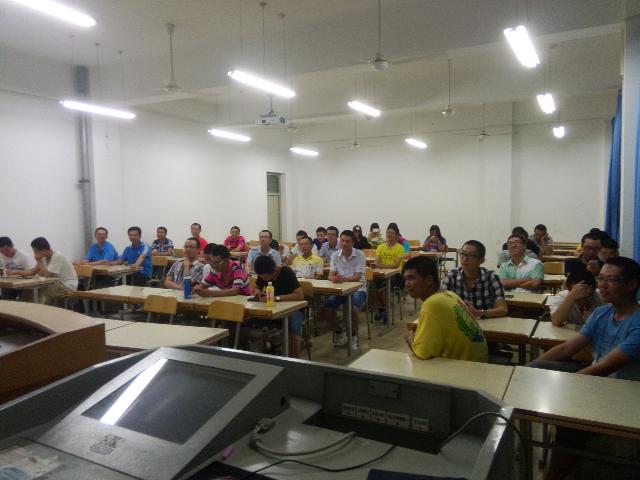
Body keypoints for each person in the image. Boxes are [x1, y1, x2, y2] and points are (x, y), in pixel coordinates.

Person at [528, 257, 640, 480]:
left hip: (624, 395)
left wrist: (564, 389)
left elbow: (605, 368)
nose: (603, 285)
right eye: (601, 279)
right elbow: (567, 348)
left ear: (631, 284)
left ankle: (554, 475)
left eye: (611, 280)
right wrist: (526, 369)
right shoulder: (602, 313)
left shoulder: (637, 323)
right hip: (597, 385)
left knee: (570, 423)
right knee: (539, 367)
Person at [403, 256, 488, 362]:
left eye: (412, 278)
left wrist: (410, 339)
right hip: (480, 361)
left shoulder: (431, 304)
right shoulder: (449, 294)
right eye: (405, 279)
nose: (407, 284)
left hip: (466, 368)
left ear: (429, 280)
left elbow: (423, 354)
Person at [253, 255, 305, 358]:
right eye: (261, 276)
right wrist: (257, 291)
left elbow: (300, 295)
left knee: (293, 328)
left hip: (294, 309)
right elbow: (256, 286)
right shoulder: (263, 273)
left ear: (272, 270)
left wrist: (276, 298)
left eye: (265, 276)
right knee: (249, 322)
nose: (263, 279)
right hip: (273, 309)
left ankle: (295, 360)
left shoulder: (286, 272)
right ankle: (267, 351)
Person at [443, 240, 508, 319]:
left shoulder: (492, 277)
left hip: (486, 322)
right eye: (463, 253)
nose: (465, 259)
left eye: (471, 255)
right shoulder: (451, 276)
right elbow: (443, 304)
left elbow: (503, 309)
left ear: (481, 260)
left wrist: (480, 313)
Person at [325, 230, 367, 350]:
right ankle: (339, 331)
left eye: (347, 241)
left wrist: (343, 279)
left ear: (353, 242)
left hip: (358, 288)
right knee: (327, 309)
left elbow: (357, 277)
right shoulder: (335, 255)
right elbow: (330, 276)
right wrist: (334, 278)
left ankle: (353, 335)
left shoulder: (360, 255)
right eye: (342, 240)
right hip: (341, 289)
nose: (344, 243)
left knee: (354, 309)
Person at [22, 237, 78, 304]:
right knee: (28, 291)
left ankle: (40, 309)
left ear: (43, 250)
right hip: (55, 284)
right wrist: (15, 272)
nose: (34, 254)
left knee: (42, 291)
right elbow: (32, 272)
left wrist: (38, 260)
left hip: (67, 286)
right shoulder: (44, 257)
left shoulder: (57, 256)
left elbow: (47, 275)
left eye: (35, 251)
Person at [373, 224, 406, 323]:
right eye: (388, 232)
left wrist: (380, 265)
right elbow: (376, 261)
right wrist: (377, 265)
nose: (389, 234)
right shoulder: (380, 247)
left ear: (396, 235)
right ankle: (381, 308)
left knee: (384, 286)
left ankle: (385, 309)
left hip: (396, 275)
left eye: (392, 233)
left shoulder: (400, 248)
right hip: (381, 274)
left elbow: (395, 265)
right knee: (370, 285)